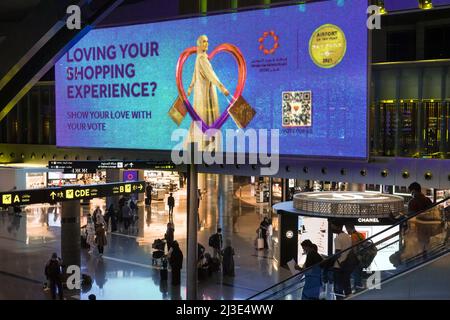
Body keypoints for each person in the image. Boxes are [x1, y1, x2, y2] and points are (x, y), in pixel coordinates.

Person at [186, 34, 230, 151]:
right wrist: (222, 87)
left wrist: (190, 88)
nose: (207, 44)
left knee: (200, 118)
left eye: (207, 41)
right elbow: (211, 75)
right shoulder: (201, 59)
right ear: (199, 44)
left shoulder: (199, 57)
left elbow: (195, 75)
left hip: (200, 92)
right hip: (205, 93)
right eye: (204, 41)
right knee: (205, 118)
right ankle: (206, 146)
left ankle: (202, 145)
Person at [331, 220, 353, 297]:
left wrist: (329, 259)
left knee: (338, 290)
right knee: (347, 287)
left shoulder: (338, 238)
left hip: (338, 266)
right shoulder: (348, 236)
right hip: (347, 264)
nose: (331, 228)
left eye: (332, 226)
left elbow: (338, 253)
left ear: (338, 227)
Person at [345, 223, 366, 290]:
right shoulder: (361, 235)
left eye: (347, 229)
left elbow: (353, 248)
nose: (347, 231)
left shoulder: (353, 236)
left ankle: (357, 288)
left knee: (356, 273)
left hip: (356, 258)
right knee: (359, 273)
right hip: (362, 257)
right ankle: (358, 286)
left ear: (350, 228)